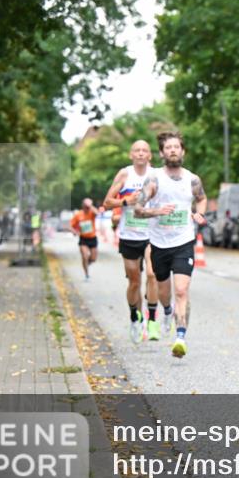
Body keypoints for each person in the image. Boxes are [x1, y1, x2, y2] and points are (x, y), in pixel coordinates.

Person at [133, 131, 207, 358]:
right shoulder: (154, 179)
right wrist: (157, 211)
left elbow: (202, 198)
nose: (173, 150)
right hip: (159, 244)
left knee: (182, 290)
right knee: (164, 292)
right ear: (162, 153)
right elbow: (137, 209)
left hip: (184, 242)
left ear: (183, 151)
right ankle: (166, 311)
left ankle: (180, 337)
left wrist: (199, 214)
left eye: (176, 147)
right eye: (168, 147)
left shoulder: (192, 179)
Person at [103, 140, 160, 344]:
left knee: (152, 275)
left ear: (150, 155)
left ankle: (152, 320)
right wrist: (126, 201)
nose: (141, 153)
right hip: (129, 236)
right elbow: (107, 202)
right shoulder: (125, 174)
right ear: (131, 155)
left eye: (145, 150)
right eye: (137, 150)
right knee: (134, 282)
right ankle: (135, 318)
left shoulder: (157, 175)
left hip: (152, 235)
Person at [69, 199, 100, 280]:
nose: (87, 208)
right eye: (86, 206)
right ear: (82, 206)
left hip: (93, 238)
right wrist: (74, 231)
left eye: (88, 207)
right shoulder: (78, 214)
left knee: (93, 259)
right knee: (85, 256)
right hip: (83, 239)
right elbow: (71, 226)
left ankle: (85, 264)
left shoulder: (92, 212)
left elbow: (98, 213)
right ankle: (86, 275)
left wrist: (90, 205)